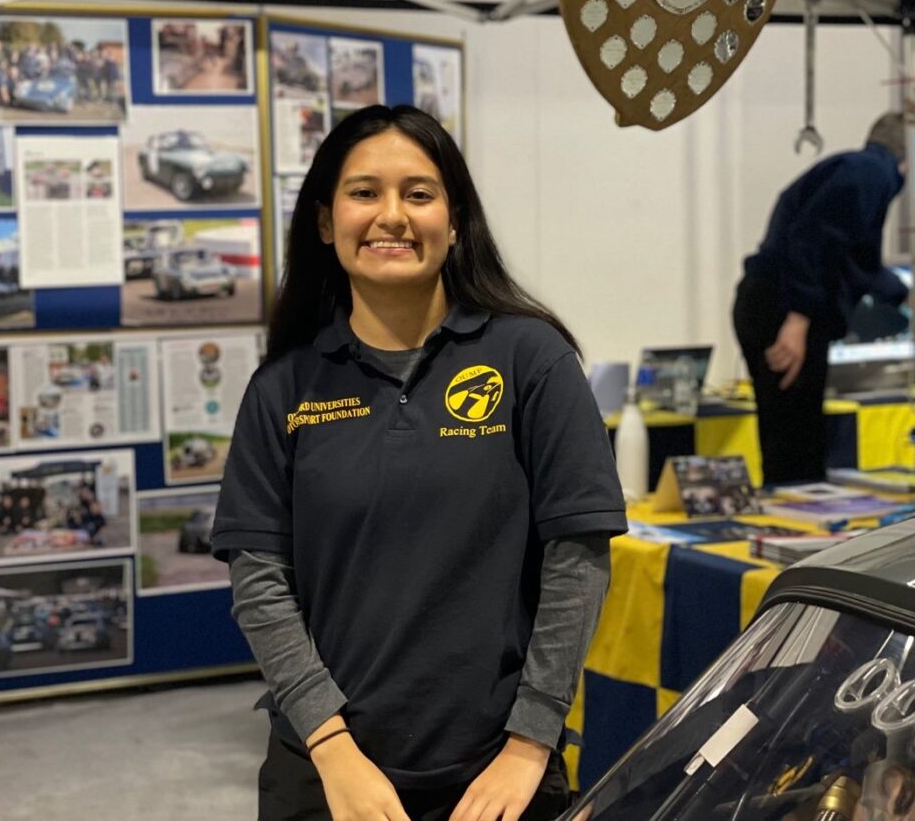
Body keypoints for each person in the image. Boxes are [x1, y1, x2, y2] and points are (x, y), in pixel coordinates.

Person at [212, 105, 626, 821]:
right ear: (324, 219)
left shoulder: (531, 358)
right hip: (326, 772)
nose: (391, 216)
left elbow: (577, 557)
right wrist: (332, 748)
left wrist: (530, 744)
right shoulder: (284, 386)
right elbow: (259, 579)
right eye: (365, 192)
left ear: (456, 219)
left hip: (494, 772)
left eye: (419, 193)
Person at [732, 111, 909, 485]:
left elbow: (857, 259)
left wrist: (900, 293)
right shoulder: (870, 174)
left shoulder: (854, 169)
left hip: (769, 299)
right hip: (784, 309)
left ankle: (793, 512)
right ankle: (796, 529)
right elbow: (811, 240)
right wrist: (798, 319)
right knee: (795, 438)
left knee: (791, 433)